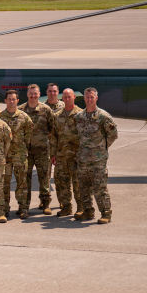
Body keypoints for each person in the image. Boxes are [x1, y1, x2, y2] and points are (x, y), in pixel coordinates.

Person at [73, 87, 118, 224]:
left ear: (96, 98)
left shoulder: (103, 116)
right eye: (87, 97)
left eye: (91, 97)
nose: (89, 99)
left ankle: (106, 213)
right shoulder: (79, 117)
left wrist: (102, 148)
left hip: (98, 160)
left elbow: (113, 134)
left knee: (100, 187)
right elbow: (77, 137)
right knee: (83, 187)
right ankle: (87, 211)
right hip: (83, 159)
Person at [19, 84, 57, 214]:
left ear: (39, 94)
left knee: (44, 179)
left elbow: (53, 129)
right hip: (27, 151)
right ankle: (24, 207)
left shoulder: (46, 110)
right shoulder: (21, 110)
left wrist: (52, 150)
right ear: (27, 94)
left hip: (42, 150)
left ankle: (45, 204)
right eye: (31, 93)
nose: (33, 96)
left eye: (35, 93)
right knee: (25, 180)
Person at [0, 90, 34, 220]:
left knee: (22, 183)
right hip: (6, 156)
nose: (11, 101)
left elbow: (29, 135)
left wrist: (23, 148)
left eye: (14, 99)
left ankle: (23, 208)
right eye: (9, 99)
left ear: (17, 101)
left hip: (20, 155)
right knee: (5, 184)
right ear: (5, 101)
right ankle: (4, 209)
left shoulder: (24, 117)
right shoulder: (0, 116)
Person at [53, 88, 83, 217]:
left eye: (69, 96)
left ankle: (81, 208)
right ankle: (66, 207)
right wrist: (53, 154)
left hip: (76, 156)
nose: (66, 99)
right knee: (61, 182)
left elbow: (85, 136)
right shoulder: (57, 115)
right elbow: (53, 136)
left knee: (78, 183)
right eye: (64, 97)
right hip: (61, 156)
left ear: (74, 97)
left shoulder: (81, 114)